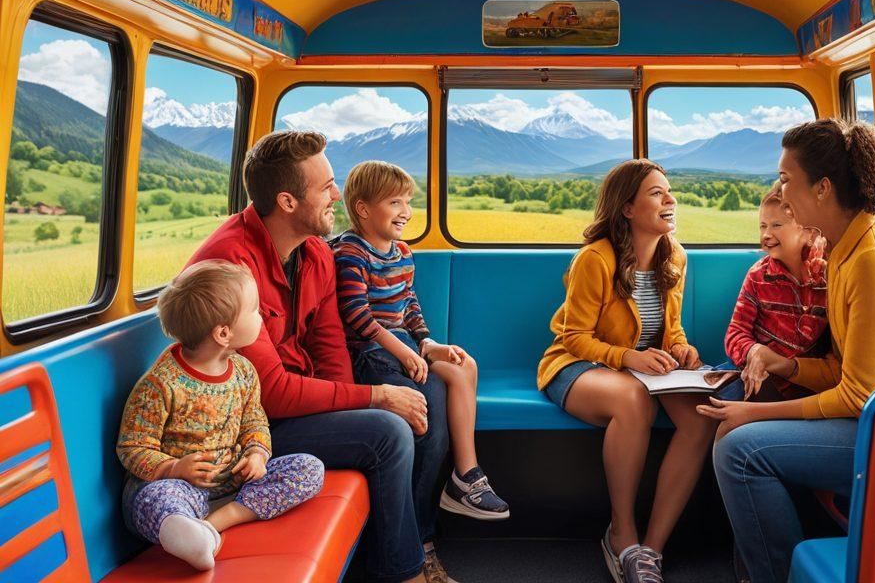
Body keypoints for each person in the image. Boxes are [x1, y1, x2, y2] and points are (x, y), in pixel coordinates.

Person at [701, 119, 875, 583]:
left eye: (787, 180)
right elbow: (844, 371)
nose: (781, 194)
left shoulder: (874, 260)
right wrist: (784, 363)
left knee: (739, 453)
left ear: (821, 188)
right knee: (735, 441)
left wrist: (753, 414)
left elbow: (860, 395)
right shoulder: (846, 248)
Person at [187, 131, 452, 583]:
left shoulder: (314, 253)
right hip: (249, 430)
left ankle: (412, 543)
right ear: (288, 202)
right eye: (326, 186)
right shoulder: (231, 266)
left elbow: (330, 347)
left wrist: (365, 396)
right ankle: (402, 572)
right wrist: (375, 398)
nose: (337, 195)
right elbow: (269, 393)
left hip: (300, 402)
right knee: (389, 430)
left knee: (430, 391)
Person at [537, 159, 716, 583]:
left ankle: (651, 548)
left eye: (669, 191)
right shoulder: (595, 260)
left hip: (641, 370)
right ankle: (621, 534)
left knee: (701, 417)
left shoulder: (676, 258)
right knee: (633, 400)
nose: (670, 199)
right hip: (577, 365)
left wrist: (680, 348)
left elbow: (670, 328)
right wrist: (628, 357)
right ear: (627, 209)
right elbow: (574, 335)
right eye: (657, 193)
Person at [332, 160, 508, 528]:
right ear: (363, 209)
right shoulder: (351, 253)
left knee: (464, 365)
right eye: (395, 202)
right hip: (369, 353)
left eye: (407, 202)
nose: (406, 212)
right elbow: (355, 315)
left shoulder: (403, 253)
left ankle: (466, 474)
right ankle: (415, 527)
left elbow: (409, 305)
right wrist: (405, 351)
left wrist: (428, 343)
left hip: (403, 345)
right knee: (428, 410)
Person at [117, 260, 324, 571]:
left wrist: (256, 453)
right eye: (254, 310)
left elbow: (254, 420)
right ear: (224, 333)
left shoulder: (243, 371)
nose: (262, 315)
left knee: (309, 468)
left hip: (233, 485)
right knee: (152, 499)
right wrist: (173, 467)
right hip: (180, 487)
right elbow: (132, 448)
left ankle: (217, 522)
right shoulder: (160, 385)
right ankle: (186, 530)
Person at [722, 184, 828, 402]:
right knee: (712, 404)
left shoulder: (829, 276)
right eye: (762, 226)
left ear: (808, 231)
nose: (766, 234)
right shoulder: (758, 276)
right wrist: (753, 351)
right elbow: (736, 331)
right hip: (760, 373)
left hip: (805, 383)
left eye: (776, 225)